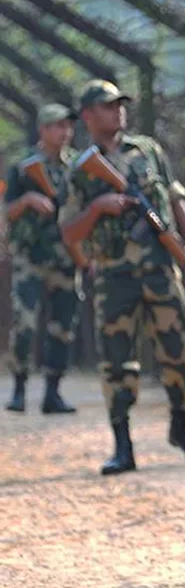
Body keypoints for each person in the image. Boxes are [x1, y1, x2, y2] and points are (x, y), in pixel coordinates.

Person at [59, 79, 185, 475]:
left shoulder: (148, 152)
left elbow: (177, 204)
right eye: (109, 106)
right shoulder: (81, 170)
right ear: (89, 116)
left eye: (120, 105)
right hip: (115, 276)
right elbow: (69, 232)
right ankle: (122, 446)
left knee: (180, 354)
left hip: (161, 269)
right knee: (117, 363)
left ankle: (181, 428)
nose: (118, 112)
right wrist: (98, 208)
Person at [3, 103, 81, 415]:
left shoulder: (77, 165)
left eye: (68, 127)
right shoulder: (22, 166)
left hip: (65, 257)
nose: (64, 133)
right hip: (30, 256)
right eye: (58, 126)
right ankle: (19, 388)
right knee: (24, 321)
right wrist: (28, 200)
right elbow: (6, 209)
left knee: (63, 326)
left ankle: (53, 392)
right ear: (43, 130)